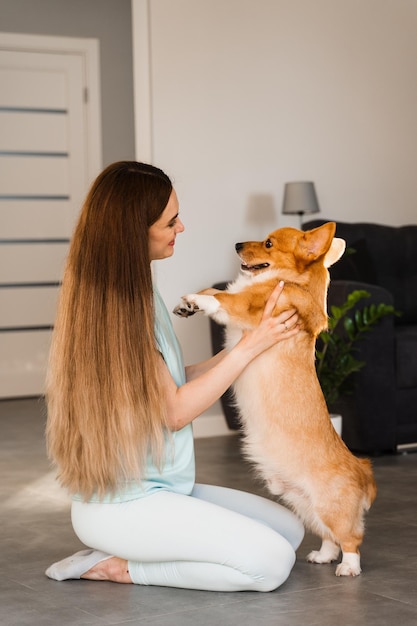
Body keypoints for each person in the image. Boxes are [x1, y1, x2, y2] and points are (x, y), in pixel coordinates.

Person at [45, 161, 304, 592]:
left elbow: (168, 381)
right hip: (124, 507)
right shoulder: (117, 311)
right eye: (171, 221)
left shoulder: (138, 292)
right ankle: (118, 567)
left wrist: (253, 342)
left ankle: (147, 548)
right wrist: (250, 346)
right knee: (270, 565)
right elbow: (174, 411)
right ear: (134, 230)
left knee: (291, 533)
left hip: (163, 491)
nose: (181, 227)